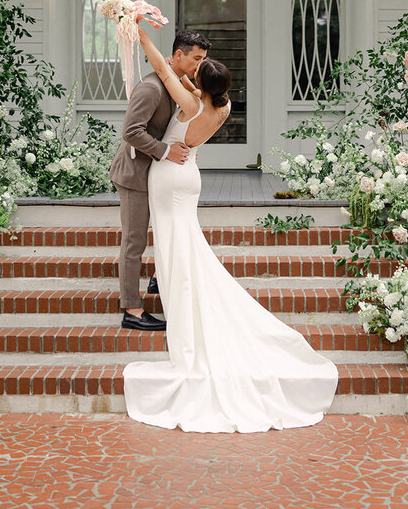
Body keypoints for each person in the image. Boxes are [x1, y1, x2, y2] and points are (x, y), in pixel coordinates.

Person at [124, 24, 339, 433]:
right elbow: (187, 80)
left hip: (170, 176)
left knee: (175, 244)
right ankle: (170, 286)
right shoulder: (220, 108)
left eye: (200, 70)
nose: (194, 70)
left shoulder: (189, 104)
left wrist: (142, 33)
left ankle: (177, 296)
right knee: (185, 244)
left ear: (199, 86)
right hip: (190, 180)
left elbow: (160, 67)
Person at [109, 29, 211, 330]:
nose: (199, 65)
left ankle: (158, 279)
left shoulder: (178, 82)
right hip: (134, 174)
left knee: (170, 228)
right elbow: (130, 132)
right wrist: (166, 151)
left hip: (158, 175)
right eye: (195, 58)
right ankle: (132, 309)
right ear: (178, 55)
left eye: (203, 59)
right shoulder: (151, 88)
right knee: (134, 241)